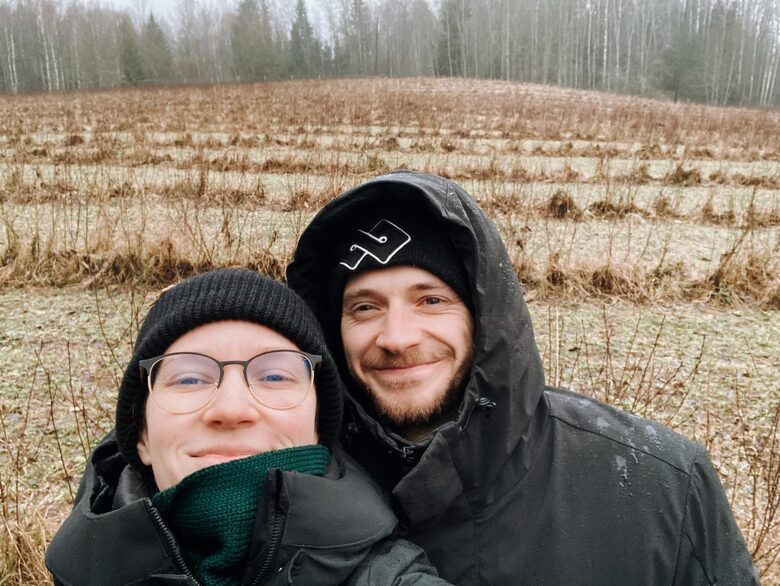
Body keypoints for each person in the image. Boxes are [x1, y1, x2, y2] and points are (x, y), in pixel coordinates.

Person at [287, 170, 760, 584]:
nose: (396, 337)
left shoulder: (663, 489)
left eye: (431, 300)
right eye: (364, 307)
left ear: (484, 315)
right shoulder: (293, 492)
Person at [46, 268, 451, 585]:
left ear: (318, 428)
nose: (232, 408)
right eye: (189, 378)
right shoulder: (77, 571)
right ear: (142, 438)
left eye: (275, 376)